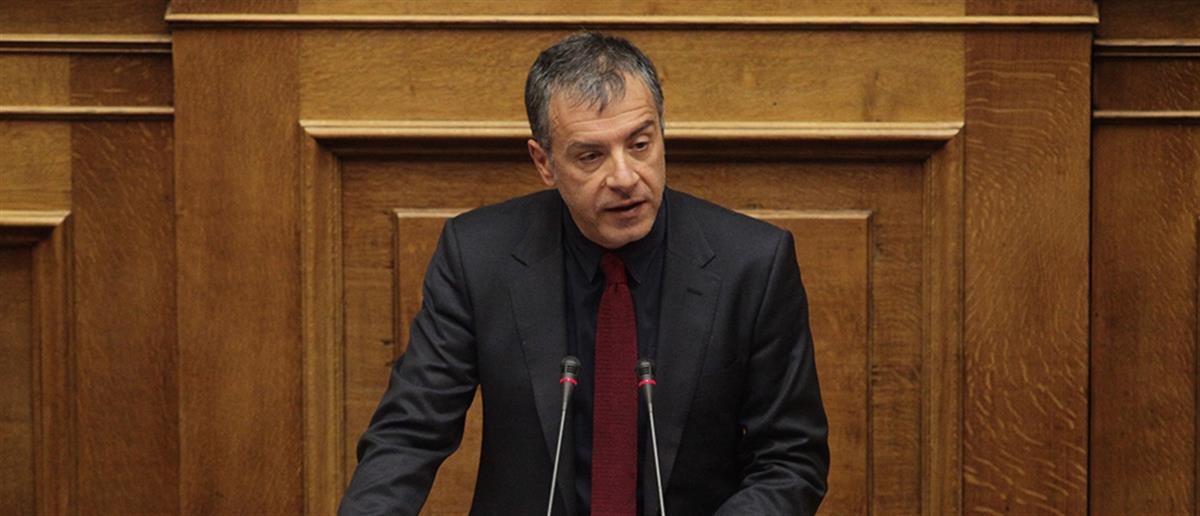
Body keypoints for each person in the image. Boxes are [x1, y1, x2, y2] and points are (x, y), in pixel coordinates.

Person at [339, 31, 829, 516]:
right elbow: (409, 434)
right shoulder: (478, 256)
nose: (624, 177)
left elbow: (790, 460)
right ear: (545, 163)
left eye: (640, 144)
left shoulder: (753, 264)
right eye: (591, 156)